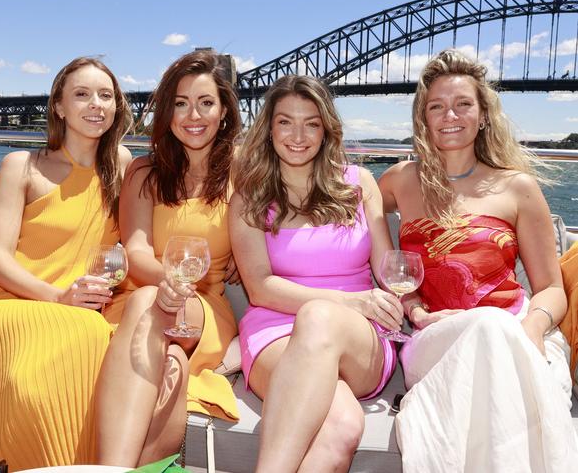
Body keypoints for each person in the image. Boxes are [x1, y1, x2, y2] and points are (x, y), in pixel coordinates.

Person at [0, 56, 133, 472]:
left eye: (105, 95)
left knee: (89, 340)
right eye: (82, 94)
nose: (96, 104)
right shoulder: (21, 165)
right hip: (5, 298)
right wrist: (58, 297)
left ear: (116, 107)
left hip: (86, 303)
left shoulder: (124, 166)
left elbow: (131, 243)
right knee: (53, 354)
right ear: (58, 106)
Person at [378, 49, 578, 472]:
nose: (450, 115)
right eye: (437, 106)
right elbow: (350, 229)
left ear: (483, 115)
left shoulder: (517, 188)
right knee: (490, 332)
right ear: (423, 118)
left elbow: (551, 290)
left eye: (463, 103)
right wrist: (411, 307)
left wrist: (531, 330)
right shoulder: (398, 181)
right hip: (434, 337)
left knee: (494, 332)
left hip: (516, 331)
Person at [229, 74, 401, 472]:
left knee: (319, 317)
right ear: (269, 129)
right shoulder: (248, 198)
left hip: (358, 334)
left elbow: (389, 270)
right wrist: (351, 300)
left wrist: (419, 309)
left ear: (326, 129)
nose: (298, 135)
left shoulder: (360, 185)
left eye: (311, 123)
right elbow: (260, 289)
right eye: (285, 121)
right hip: (275, 332)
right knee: (340, 427)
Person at [95, 49, 242, 467]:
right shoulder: (144, 172)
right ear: (167, 112)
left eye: (205, 102)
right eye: (180, 103)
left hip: (203, 307)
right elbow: (135, 251)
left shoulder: (243, 171)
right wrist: (168, 282)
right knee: (169, 361)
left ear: (225, 112)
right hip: (139, 294)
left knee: (148, 306)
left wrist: (246, 260)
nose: (192, 115)